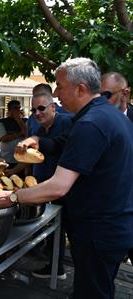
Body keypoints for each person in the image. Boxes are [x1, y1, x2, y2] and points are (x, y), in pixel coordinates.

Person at [0, 58, 133, 299]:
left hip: (99, 229)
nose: (55, 93)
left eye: (60, 86)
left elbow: (59, 186)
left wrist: (12, 196)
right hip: (116, 225)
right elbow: (64, 144)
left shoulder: (92, 123)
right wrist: (37, 141)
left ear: (80, 89)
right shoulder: (109, 116)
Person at [28, 92, 73, 280]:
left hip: (63, 189)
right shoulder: (40, 129)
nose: (37, 113)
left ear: (53, 107)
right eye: (33, 110)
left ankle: (59, 268)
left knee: (66, 228)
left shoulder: (67, 122)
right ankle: (55, 266)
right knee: (53, 229)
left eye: (41, 108)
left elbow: (57, 147)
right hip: (44, 185)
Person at [101, 72, 133, 266]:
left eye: (107, 95)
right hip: (108, 216)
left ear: (125, 93)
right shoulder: (97, 119)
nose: (102, 101)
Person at [0, 100, 27, 176]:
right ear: (9, 109)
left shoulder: (25, 121)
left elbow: (27, 134)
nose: (17, 110)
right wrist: (20, 134)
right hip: (7, 159)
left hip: (22, 160)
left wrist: (18, 120)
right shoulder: (2, 122)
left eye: (19, 108)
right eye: (15, 108)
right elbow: (4, 138)